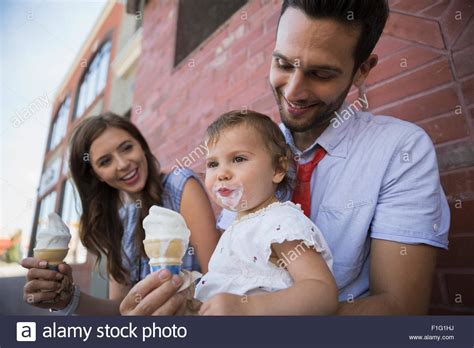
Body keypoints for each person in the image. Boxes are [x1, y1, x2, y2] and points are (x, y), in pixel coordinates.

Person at [120, 0, 450, 316]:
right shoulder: (246, 157)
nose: (293, 91)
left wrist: (257, 313)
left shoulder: (400, 150)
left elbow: (400, 311)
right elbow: (237, 276)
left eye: (321, 73)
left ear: (362, 70)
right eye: (283, 64)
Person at [22, 112, 219, 315]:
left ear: (141, 145)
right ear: (95, 175)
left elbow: (218, 281)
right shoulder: (118, 221)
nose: (123, 164)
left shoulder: (179, 185)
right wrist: (68, 299)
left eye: (127, 148)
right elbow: (122, 308)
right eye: (106, 161)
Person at [194, 110, 337, 315]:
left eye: (238, 158)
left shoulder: (279, 222)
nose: (222, 174)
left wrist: (248, 307)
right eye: (213, 164)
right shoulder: (233, 229)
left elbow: (322, 293)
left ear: (278, 169)